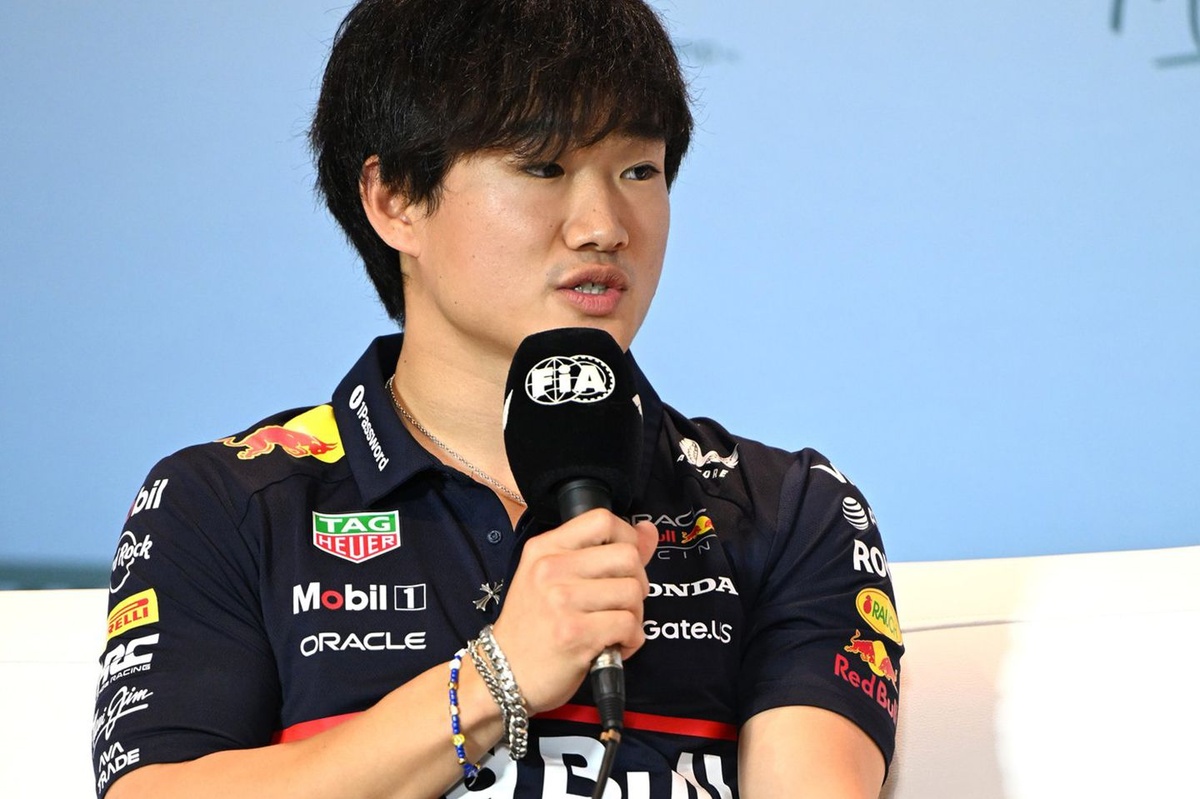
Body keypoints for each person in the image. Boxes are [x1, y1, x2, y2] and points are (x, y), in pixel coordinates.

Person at [92, 1, 903, 797]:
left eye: (639, 171)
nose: (603, 226)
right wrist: (493, 677)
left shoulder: (785, 510)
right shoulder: (229, 502)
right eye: (542, 167)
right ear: (395, 199)